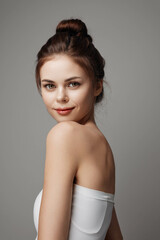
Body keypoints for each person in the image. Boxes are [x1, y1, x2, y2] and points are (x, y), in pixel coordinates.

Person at [33, 18, 123, 240]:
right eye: (49, 86)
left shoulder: (65, 136)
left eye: (73, 84)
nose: (60, 97)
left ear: (97, 86)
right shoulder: (102, 148)